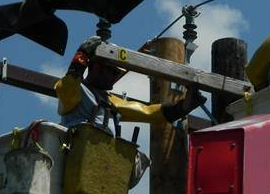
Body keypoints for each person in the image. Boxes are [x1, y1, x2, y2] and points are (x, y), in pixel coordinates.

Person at [55, 37, 205, 129]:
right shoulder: (77, 91)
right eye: (113, 72)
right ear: (96, 67)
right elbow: (67, 85)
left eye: (117, 73)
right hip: (75, 157)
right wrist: (82, 55)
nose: (115, 76)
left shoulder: (110, 102)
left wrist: (183, 107)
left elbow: (147, 112)